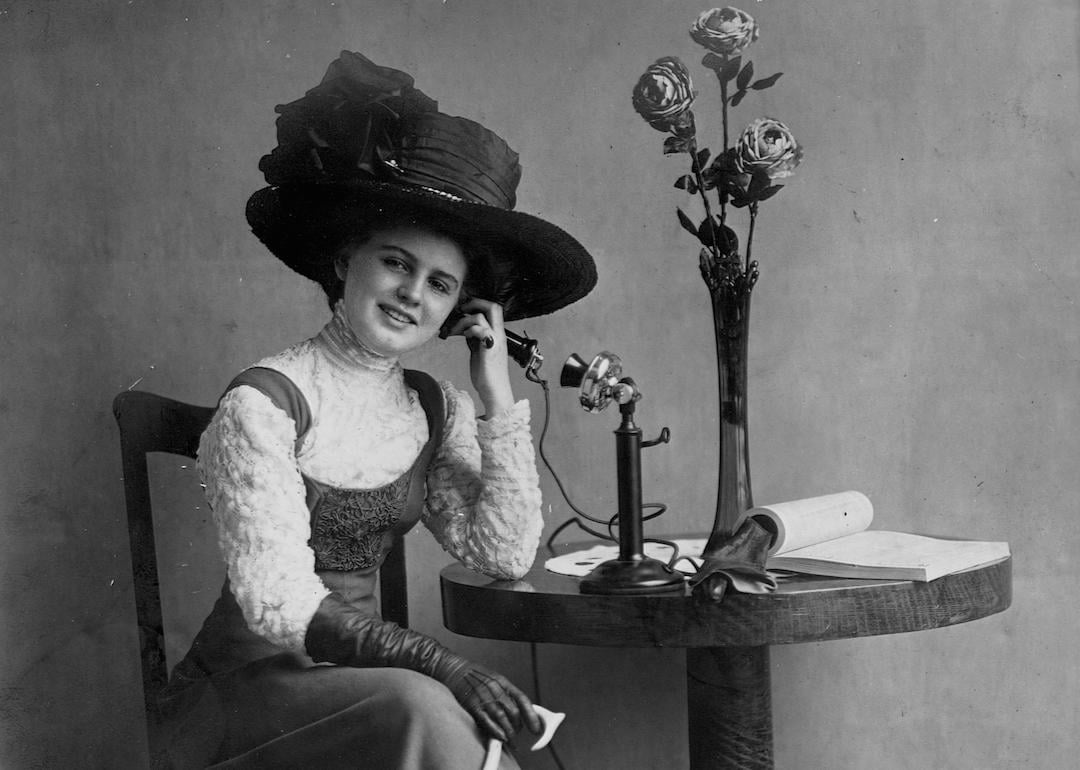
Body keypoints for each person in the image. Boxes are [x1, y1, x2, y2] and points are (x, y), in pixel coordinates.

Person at [160, 51, 597, 769]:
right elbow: (276, 604)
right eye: (396, 262)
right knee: (426, 703)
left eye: (440, 284)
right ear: (344, 261)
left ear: (460, 309)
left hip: (357, 686)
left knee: (441, 709)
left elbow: (505, 552)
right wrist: (440, 664)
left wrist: (494, 395)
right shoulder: (263, 401)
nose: (411, 295)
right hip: (238, 698)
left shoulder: (430, 407)